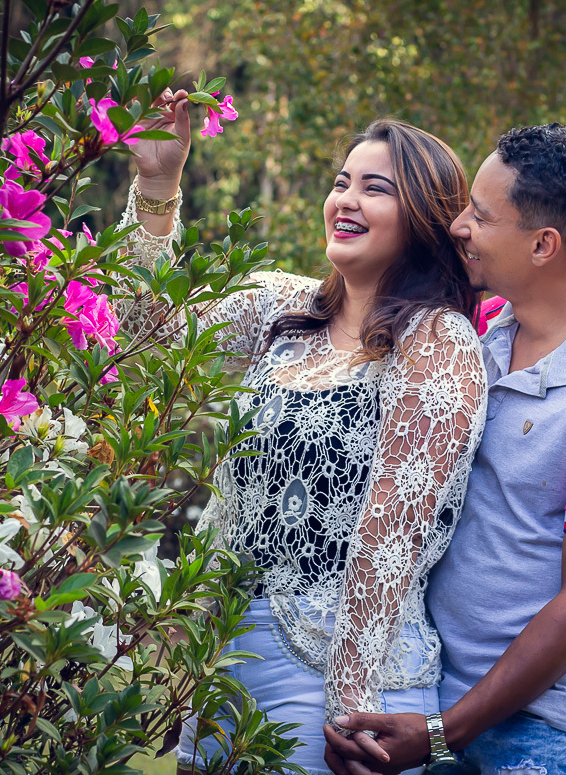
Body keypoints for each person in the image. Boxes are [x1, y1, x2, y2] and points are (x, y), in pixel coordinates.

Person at [118, 91, 487, 775]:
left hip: (341, 680)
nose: (345, 199)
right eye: (341, 182)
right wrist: (157, 182)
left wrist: (349, 713)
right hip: (222, 662)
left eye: (375, 189)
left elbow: (389, 543)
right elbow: (140, 342)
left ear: (424, 220)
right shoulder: (276, 309)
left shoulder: (439, 343)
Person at [323, 124, 566, 775]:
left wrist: (440, 734)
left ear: (543, 245)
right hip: (444, 701)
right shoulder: (477, 330)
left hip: (550, 733)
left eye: (480, 216)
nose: (458, 226)